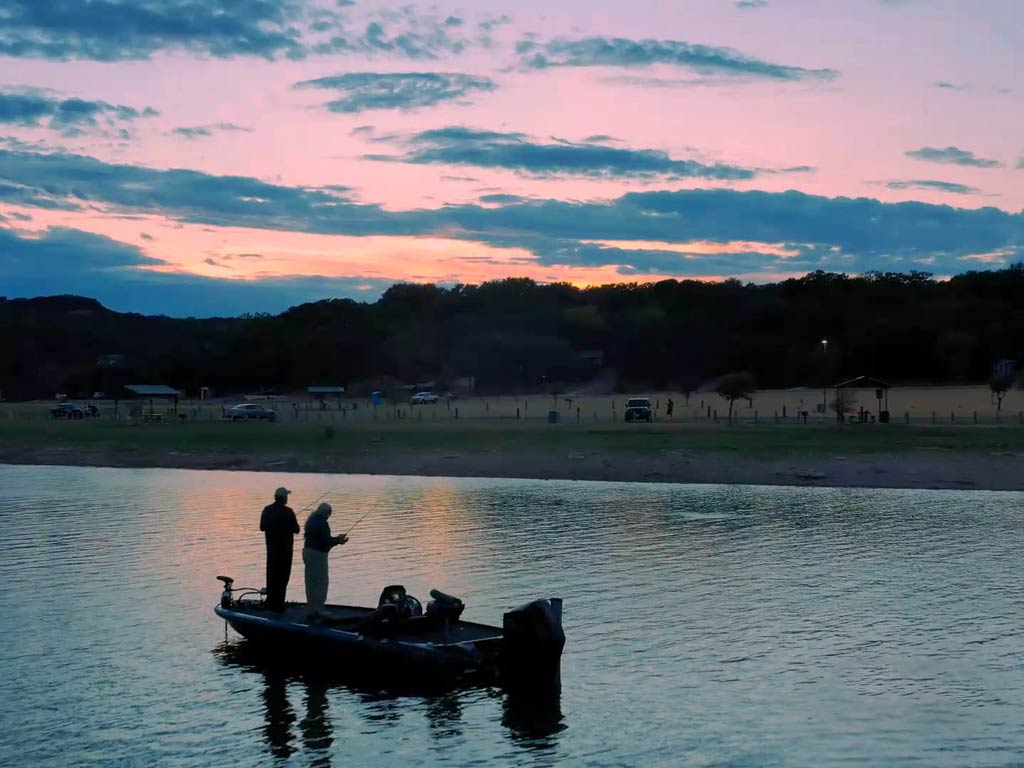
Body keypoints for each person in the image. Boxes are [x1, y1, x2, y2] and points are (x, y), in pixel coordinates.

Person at [303, 503, 348, 619]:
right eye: (329, 514)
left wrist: (336, 540)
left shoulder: (311, 521)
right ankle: (319, 609)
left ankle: (311, 608)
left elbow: (322, 540)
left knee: (310, 582)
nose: (329, 516)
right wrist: (339, 540)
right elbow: (326, 542)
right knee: (321, 582)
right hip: (318, 555)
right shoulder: (323, 524)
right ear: (326, 513)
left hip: (307, 552)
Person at [260, 487, 300, 612]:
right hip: (286, 551)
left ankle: (270, 602)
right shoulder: (289, 512)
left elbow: (262, 527)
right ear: (284, 498)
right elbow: (297, 530)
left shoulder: (267, 510)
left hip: (271, 550)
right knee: (283, 577)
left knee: (271, 575)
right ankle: (279, 604)